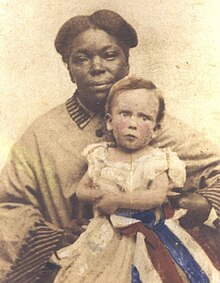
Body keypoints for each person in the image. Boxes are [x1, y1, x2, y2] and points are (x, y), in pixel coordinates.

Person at [0, 9, 219, 283]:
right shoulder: (42, 134)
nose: (97, 67)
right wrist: (54, 237)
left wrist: (204, 201)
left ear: (126, 64)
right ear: (68, 69)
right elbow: (8, 204)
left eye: (110, 55)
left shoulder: (157, 125)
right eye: (81, 59)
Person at [53, 76, 220, 283]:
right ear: (109, 121)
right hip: (105, 232)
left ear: (156, 128)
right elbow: (82, 190)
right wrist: (98, 195)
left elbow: (156, 197)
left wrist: (118, 200)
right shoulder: (100, 156)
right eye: (125, 114)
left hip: (146, 235)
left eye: (144, 118)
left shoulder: (159, 160)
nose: (133, 124)